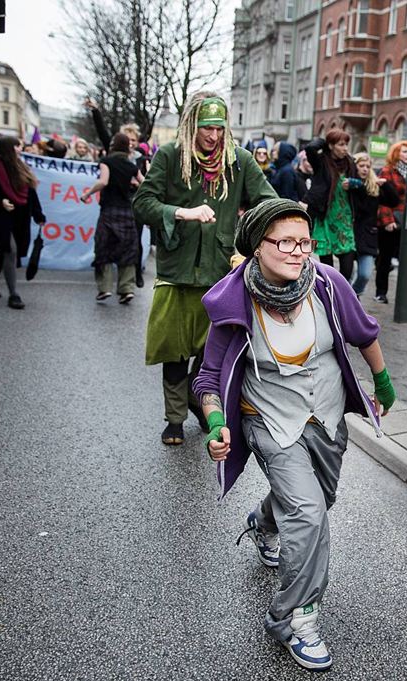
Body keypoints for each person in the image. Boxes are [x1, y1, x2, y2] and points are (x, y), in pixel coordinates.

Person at [192, 198, 396, 672]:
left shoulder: (327, 285)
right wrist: (216, 424)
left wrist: (382, 383)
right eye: (285, 241)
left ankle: (264, 521)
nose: (297, 251)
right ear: (257, 246)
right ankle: (296, 619)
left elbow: (364, 334)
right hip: (268, 420)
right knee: (307, 515)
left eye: (304, 241)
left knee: (318, 501)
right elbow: (206, 379)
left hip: (325, 418)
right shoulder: (233, 300)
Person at [132, 92, 276, 445]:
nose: (213, 136)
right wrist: (182, 212)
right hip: (176, 272)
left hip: (219, 273)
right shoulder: (170, 157)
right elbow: (143, 203)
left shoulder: (239, 162)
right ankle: (174, 419)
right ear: (191, 126)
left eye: (219, 128)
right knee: (174, 348)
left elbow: (267, 202)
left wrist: (252, 242)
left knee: (210, 351)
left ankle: (199, 399)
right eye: (206, 128)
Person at [82, 132, 144, 304]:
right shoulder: (131, 166)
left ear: (113, 146)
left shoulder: (106, 162)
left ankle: (104, 288)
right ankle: (126, 289)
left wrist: (87, 194)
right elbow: (145, 182)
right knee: (128, 249)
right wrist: (136, 185)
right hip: (126, 211)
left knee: (104, 247)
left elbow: (103, 181)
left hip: (109, 211)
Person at [0, 136, 45, 310]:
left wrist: (38, 214)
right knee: (9, 250)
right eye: (18, 145)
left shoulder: (22, 167)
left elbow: (31, 193)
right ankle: (14, 294)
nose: (21, 148)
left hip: (20, 217)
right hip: (1, 217)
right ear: (9, 148)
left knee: (3, 254)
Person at [302, 129, 358, 280]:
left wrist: (353, 184)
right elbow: (310, 148)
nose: (345, 148)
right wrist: (324, 142)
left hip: (344, 220)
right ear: (331, 146)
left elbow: (361, 184)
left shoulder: (351, 163)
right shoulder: (321, 161)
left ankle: (344, 294)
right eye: (341, 144)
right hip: (325, 216)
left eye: (346, 144)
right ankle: (330, 296)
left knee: (347, 269)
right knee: (327, 271)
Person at [347, 152, 397, 296]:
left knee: (365, 274)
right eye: (361, 165)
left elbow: (393, 201)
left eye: (368, 166)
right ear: (354, 166)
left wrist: (385, 185)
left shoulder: (373, 188)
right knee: (346, 276)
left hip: (368, 236)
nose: (365, 169)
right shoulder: (349, 185)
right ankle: (346, 302)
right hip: (349, 234)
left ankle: (353, 297)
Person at [374, 140, 407, 304]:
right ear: (396, 154)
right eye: (404, 151)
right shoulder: (387, 171)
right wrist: (388, 221)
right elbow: (382, 199)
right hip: (391, 220)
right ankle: (381, 292)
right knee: (385, 258)